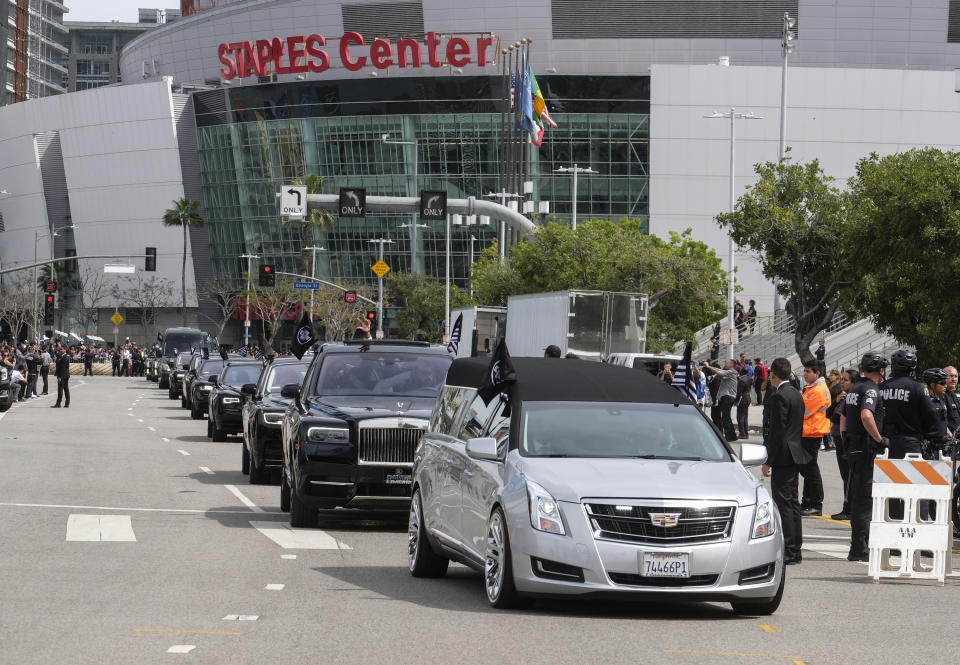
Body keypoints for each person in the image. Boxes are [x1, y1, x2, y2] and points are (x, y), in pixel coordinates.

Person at [762, 357, 809, 565]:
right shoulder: (797, 394)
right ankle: (795, 548)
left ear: (773, 374)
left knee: (784, 502)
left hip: (783, 455)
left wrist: (768, 460)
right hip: (795, 452)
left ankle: (789, 549)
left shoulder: (779, 396)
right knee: (792, 502)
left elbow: (777, 433)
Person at [841, 352, 887, 562]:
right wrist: (878, 439)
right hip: (865, 447)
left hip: (853, 446)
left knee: (858, 497)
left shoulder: (855, 388)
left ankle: (857, 546)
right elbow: (866, 415)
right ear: (881, 370)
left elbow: (842, 416)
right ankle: (860, 548)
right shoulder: (870, 388)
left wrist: (845, 439)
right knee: (864, 500)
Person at [798, 360, 831, 517]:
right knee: (808, 468)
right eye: (804, 371)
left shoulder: (817, 390)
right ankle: (807, 502)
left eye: (808, 371)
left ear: (817, 373)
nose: (805, 374)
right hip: (809, 432)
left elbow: (803, 412)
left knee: (810, 469)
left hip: (812, 432)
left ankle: (815, 503)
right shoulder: (813, 388)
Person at [827, 369, 858, 520]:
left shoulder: (853, 398)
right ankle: (848, 507)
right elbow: (829, 414)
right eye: (842, 380)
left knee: (848, 476)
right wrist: (836, 401)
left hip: (846, 440)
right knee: (845, 475)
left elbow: (837, 418)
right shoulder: (842, 397)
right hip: (839, 439)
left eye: (846, 380)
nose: (842, 382)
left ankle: (849, 508)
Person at [701, 360, 738, 441]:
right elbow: (718, 370)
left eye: (727, 363)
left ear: (732, 364)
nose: (725, 364)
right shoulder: (729, 371)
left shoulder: (732, 372)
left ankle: (730, 436)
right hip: (726, 397)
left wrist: (708, 366)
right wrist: (709, 366)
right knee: (726, 416)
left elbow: (719, 372)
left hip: (728, 396)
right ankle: (732, 436)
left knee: (726, 417)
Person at [51, 344, 71, 408]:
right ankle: (67, 403)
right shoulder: (62, 356)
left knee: (61, 390)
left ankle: (58, 403)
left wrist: (60, 376)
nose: (60, 350)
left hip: (63, 375)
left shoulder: (65, 357)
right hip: (65, 375)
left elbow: (63, 368)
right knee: (66, 389)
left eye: (61, 349)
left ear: (65, 350)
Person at [736, 367, 752, 438]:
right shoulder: (749, 378)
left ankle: (742, 433)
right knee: (745, 416)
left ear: (741, 372)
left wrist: (736, 401)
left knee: (740, 417)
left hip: (742, 399)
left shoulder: (741, 380)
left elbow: (739, 392)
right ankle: (746, 433)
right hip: (748, 397)